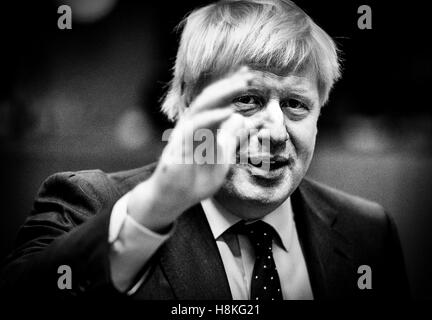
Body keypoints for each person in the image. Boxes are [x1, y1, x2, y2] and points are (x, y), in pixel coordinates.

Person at [0, 0, 409, 300]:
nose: (276, 131)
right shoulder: (87, 202)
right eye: (247, 99)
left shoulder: (368, 232)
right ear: (186, 106)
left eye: (295, 105)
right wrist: (157, 207)